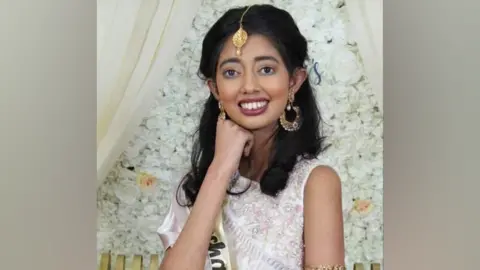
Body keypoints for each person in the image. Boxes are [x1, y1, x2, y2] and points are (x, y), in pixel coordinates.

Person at [157, 4, 345, 270]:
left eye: (266, 69)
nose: (249, 86)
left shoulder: (315, 183)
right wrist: (220, 170)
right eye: (231, 72)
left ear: (294, 81)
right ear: (215, 88)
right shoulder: (196, 183)